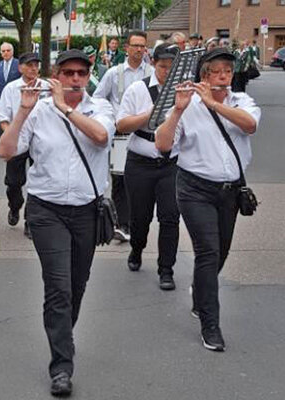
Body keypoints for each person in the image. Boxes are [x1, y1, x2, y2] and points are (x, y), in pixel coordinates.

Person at [0, 49, 115, 397]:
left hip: (86, 210)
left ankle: (63, 333)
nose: (75, 79)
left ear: (88, 76)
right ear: (57, 76)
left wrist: (66, 107)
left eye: (81, 73)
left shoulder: (100, 108)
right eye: (68, 73)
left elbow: (101, 137)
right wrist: (23, 111)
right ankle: (61, 365)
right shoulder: (39, 111)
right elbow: (5, 151)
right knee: (59, 285)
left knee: (77, 285)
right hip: (46, 210)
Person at [155, 48, 261, 352]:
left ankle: (200, 292)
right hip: (194, 189)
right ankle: (210, 325)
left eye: (228, 70)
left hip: (230, 190)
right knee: (208, 251)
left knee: (220, 252)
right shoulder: (187, 106)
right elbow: (163, 145)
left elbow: (249, 125)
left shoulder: (242, 101)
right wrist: (177, 110)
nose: (224, 75)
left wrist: (214, 104)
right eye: (217, 71)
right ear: (204, 75)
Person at [116, 44, 181, 290]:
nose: (167, 71)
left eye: (171, 67)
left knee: (170, 217)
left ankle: (166, 269)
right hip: (140, 162)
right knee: (140, 217)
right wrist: (150, 114)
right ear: (153, 63)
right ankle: (137, 249)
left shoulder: (183, 92)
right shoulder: (137, 89)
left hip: (170, 163)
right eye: (162, 66)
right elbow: (122, 125)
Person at [94, 30, 153, 242]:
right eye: (135, 45)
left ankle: (136, 221)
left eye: (142, 46)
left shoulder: (152, 73)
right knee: (119, 178)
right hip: (120, 132)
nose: (139, 49)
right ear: (126, 47)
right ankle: (122, 224)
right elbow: (98, 98)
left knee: (138, 181)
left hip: (145, 132)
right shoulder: (114, 73)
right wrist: (111, 117)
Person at [0, 52, 49, 236]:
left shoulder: (47, 87)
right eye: (29, 65)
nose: (34, 68)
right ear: (21, 68)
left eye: (36, 65)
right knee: (14, 182)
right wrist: (10, 135)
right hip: (18, 139)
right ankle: (15, 205)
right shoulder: (11, 88)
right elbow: (3, 118)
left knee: (37, 182)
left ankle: (30, 220)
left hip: (41, 140)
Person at [0, 42, 21, 109]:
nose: (6, 52)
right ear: (1, 53)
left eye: (8, 50)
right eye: (3, 51)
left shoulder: (19, 64)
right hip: (1, 101)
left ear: (12, 52)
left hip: (16, 101)